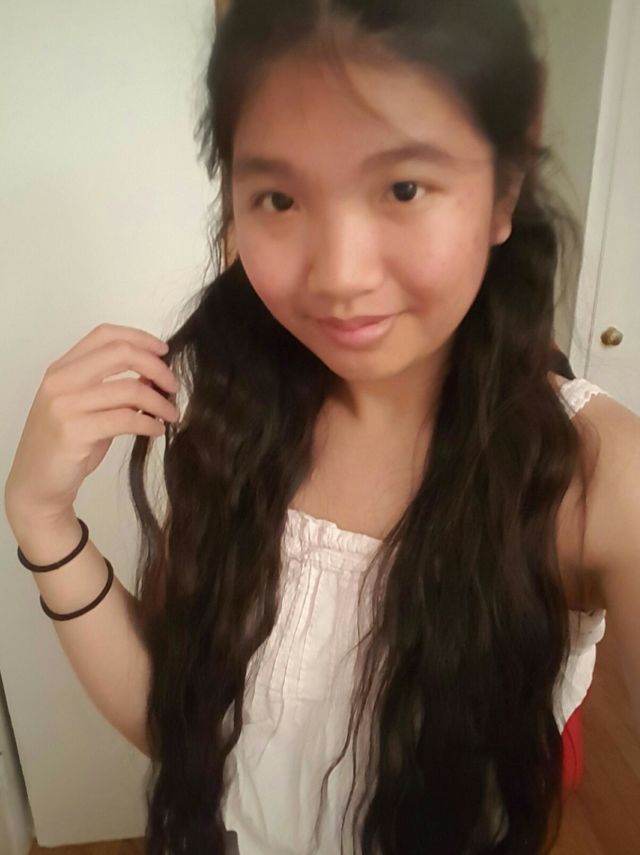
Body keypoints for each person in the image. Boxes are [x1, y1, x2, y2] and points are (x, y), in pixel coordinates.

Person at [4, 1, 640, 853]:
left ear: (505, 187)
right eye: (279, 197)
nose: (338, 276)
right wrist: (42, 517)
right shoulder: (233, 415)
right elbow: (190, 730)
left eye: (404, 187)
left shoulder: (600, 480)